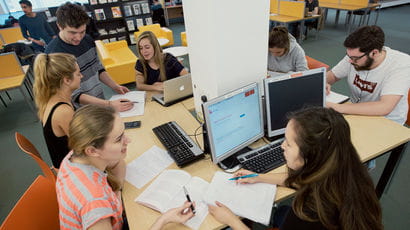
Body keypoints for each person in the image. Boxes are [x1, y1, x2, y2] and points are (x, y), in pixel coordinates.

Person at [208, 107, 383, 230]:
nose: (282, 146)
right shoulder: (347, 169)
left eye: (289, 144)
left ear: (310, 155)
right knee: (281, 213)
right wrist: (259, 177)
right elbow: (303, 182)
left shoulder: (310, 211)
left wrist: (231, 220)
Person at [56, 104, 195, 230]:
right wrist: (163, 220)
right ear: (92, 150)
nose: (128, 140)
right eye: (118, 139)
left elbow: (118, 162)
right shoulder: (94, 204)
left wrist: (117, 192)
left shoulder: (75, 155)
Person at [45, 2, 133, 112]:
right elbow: (74, 95)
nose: (78, 37)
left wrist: (114, 86)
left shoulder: (87, 40)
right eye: (72, 33)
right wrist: (109, 104)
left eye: (82, 32)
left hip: (99, 100)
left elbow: (98, 68)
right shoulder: (54, 54)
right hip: (80, 111)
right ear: (59, 26)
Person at [327, 25, 410, 125]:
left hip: (387, 121)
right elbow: (333, 75)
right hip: (355, 112)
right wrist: (323, 83)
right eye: (349, 56)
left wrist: (337, 107)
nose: (350, 60)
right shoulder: (354, 56)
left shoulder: (401, 64)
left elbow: (385, 106)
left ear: (374, 53)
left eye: (355, 58)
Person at [33, 53, 81, 168]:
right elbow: (83, 146)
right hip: (70, 171)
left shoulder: (51, 99)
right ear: (67, 80)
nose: (82, 76)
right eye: (78, 74)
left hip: (66, 163)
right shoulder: (63, 111)